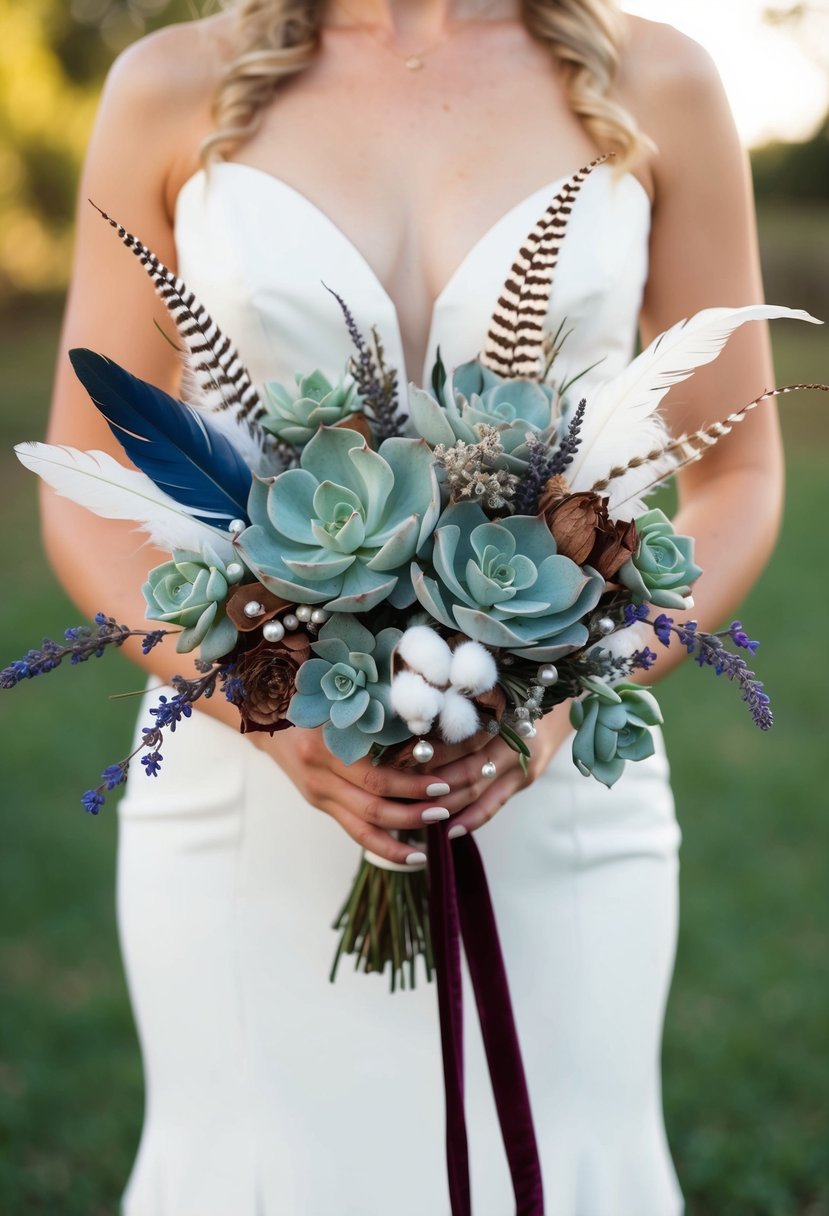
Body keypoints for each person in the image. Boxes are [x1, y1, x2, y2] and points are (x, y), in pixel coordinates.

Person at [42, 1, 783, 1212]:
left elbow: (741, 473)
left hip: (557, 801)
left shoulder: (661, 79)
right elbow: (82, 479)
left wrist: (564, 692)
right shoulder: (170, 83)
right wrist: (262, 713)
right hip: (247, 795)